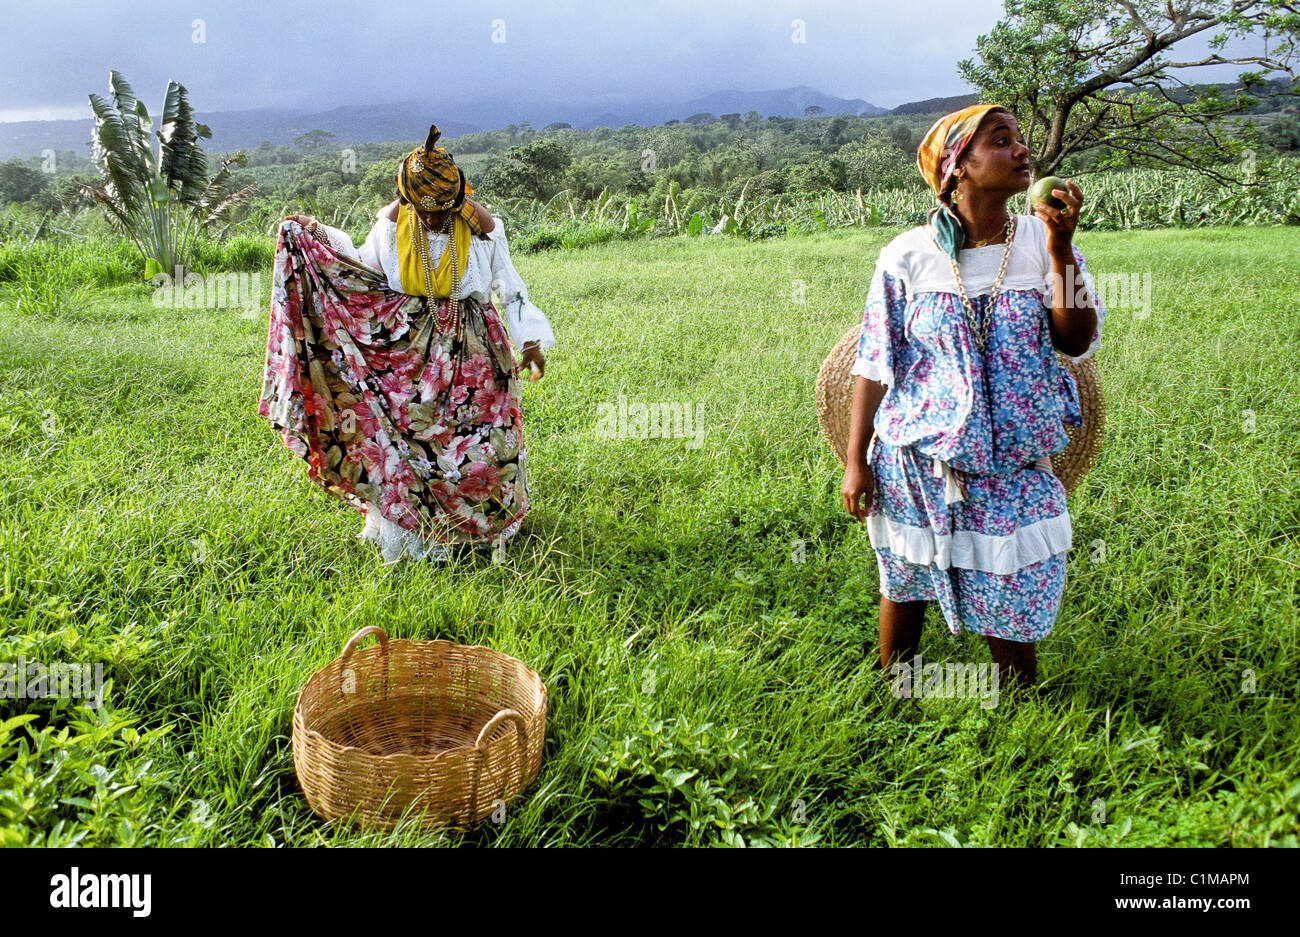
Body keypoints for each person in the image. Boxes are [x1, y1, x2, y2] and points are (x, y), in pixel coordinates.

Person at [839, 104, 1104, 692]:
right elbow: (876, 363)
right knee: (906, 577)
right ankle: (896, 692)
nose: (1021, 151)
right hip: (919, 456)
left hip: (1013, 462)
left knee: (1011, 583)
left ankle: (1015, 709)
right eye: (1001, 140)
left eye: (1019, 140)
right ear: (957, 167)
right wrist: (857, 461)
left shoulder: (1042, 239)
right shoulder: (906, 255)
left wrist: (1061, 248)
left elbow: (1076, 339)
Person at [259, 124, 555, 564]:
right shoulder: (391, 228)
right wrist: (315, 233)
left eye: (442, 211)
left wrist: (529, 341)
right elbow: (362, 266)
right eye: (423, 210)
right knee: (405, 440)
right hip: (407, 349)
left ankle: (481, 532)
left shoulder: (486, 231)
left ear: (457, 200)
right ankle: (415, 535)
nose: (433, 219)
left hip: (476, 349)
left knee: (487, 443)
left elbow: (508, 287)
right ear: (409, 201)